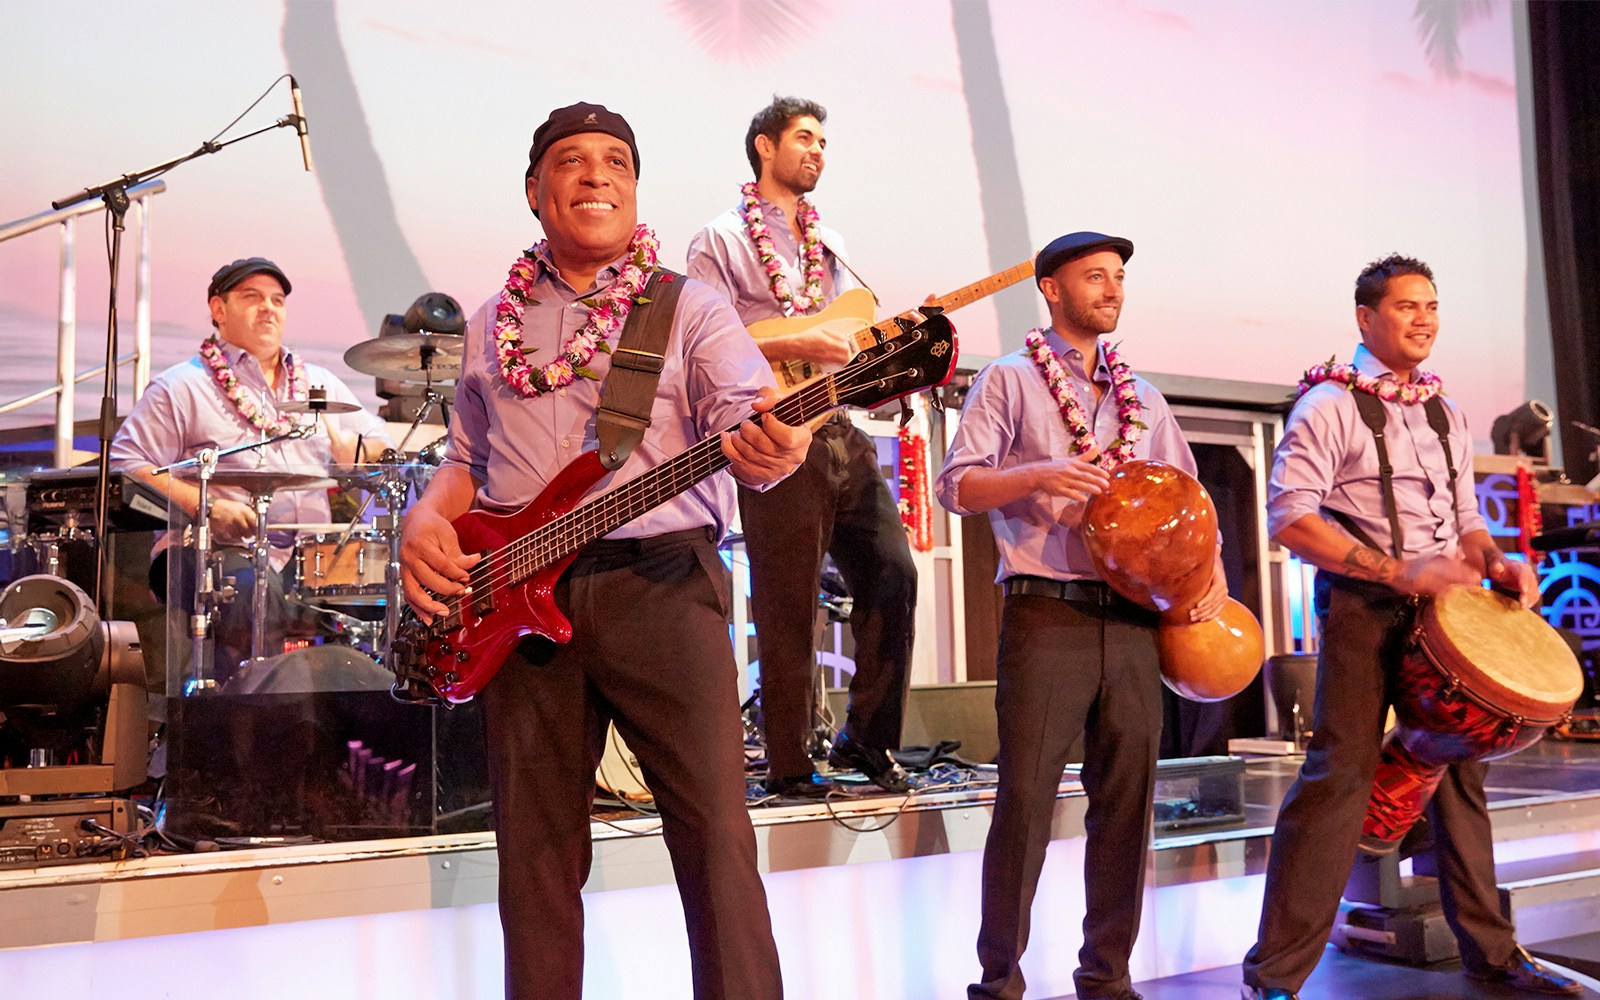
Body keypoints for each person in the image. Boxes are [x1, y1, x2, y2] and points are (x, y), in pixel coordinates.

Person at [399, 102, 807, 1000]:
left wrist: (779, 445)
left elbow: (752, 419)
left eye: (617, 161)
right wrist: (424, 519)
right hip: (515, 605)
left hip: (663, 588)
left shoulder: (689, 307)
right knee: (535, 859)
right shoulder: (487, 322)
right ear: (536, 191)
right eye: (574, 161)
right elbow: (467, 463)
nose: (598, 175)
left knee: (716, 842)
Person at [1240, 254, 1579, 999]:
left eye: (1432, 306)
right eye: (1407, 307)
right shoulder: (1327, 405)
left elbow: (1464, 524)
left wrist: (1497, 562)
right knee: (1339, 777)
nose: (1424, 319)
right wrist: (1395, 570)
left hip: (1445, 614)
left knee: (1460, 774)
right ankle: (1274, 978)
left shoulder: (1443, 411)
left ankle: (1493, 958)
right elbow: (1289, 518)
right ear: (1366, 318)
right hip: (1364, 607)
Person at [935, 232, 1228, 1000]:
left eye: (1119, 277)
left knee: (1127, 807)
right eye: (1095, 276)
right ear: (1052, 290)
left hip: (1133, 623)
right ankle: (998, 982)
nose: (1112, 288)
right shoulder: (1008, 380)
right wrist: (1039, 473)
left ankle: (1108, 978)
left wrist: (1209, 585)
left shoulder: (1146, 398)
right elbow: (956, 485)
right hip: (1046, 614)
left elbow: (1190, 507)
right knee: (1025, 802)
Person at [687, 94, 917, 797]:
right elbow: (701, 336)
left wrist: (893, 370)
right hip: (775, 430)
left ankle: (864, 741)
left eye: (824, 141)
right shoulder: (720, 239)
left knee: (893, 574)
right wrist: (795, 339)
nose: (818, 151)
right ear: (764, 146)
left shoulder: (830, 246)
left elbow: (846, 337)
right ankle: (788, 764)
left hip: (840, 425)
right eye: (805, 138)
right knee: (789, 604)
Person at [111, 256, 391, 677]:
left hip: (310, 558)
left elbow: (383, 448)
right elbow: (128, 464)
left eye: (277, 300)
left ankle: (359, 709)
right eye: (252, 297)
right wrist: (203, 505)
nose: (269, 308)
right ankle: (256, 718)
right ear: (218, 310)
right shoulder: (182, 387)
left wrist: (359, 449)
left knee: (384, 593)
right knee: (253, 592)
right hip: (208, 550)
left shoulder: (318, 386)